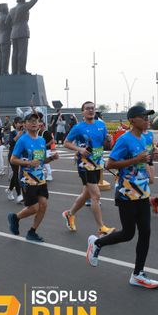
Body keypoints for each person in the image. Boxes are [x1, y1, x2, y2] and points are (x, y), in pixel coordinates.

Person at [86, 106, 158, 288]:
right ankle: (97, 243)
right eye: (143, 117)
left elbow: (145, 160)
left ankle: (138, 274)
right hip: (126, 194)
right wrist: (136, 160)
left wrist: (152, 158)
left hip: (143, 193)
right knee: (128, 234)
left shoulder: (145, 138)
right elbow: (110, 164)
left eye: (148, 117)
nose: (147, 120)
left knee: (146, 233)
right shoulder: (125, 139)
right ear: (132, 120)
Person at [62, 101, 116, 236]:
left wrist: (108, 139)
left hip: (97, 163)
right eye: (87, 108)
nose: (91, 110)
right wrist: (80, 149)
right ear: (83, 112)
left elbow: (105, 144)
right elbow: (66, 143)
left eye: (92, 108)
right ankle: (101, 227)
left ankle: (69, 214)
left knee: (86, 194)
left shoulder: (101, 125)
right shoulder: (78, 127)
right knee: (96, 195)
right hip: (85, 165)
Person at [7, 111, 59, 242]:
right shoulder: (22, 140)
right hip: (27, 179)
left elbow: (41, 161)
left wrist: (51, 158)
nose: (34, 123)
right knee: (34, 208)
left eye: (36, 121)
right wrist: (28, 163)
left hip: (40, 178)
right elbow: (13, 159)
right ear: (25, 125)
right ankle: (15, 217)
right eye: (30, 121)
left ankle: (32, 231)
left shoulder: (41, 140)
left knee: (43, 205)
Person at [5, 117, 24, 203]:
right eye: (19, 122)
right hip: (13, 156)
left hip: (22, 156)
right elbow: (10, 143)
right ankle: (19, 195)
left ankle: (9, 190)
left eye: (22, 122)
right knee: (16, 174)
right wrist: (18, 136)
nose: (21, 124)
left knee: (16, 175)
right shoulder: (13, 133)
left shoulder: (25, 133)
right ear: (15, 124)